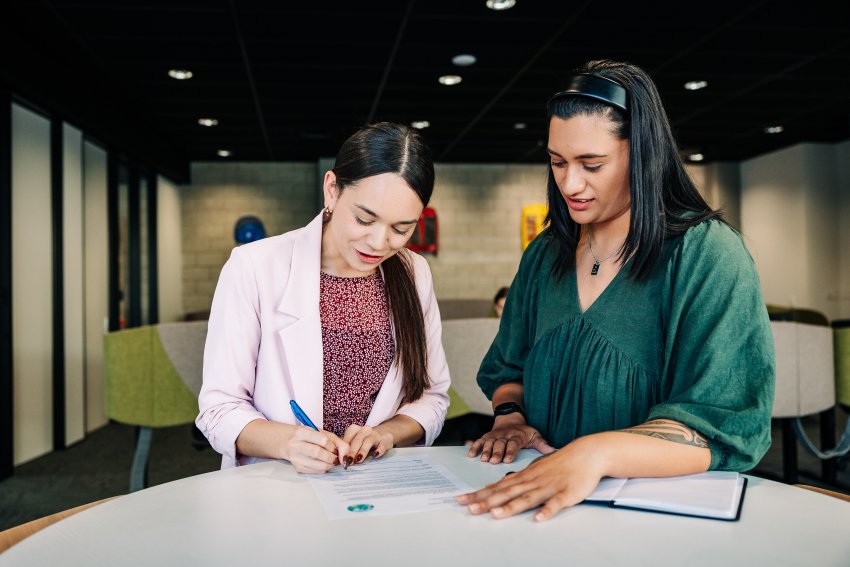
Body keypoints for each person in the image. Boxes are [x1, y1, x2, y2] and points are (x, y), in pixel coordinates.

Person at [458, 60, 775, 522]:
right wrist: (511, 418)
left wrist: (594, 454)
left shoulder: (708, 256)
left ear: (644, 154)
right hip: (544, 500)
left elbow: (723, 425)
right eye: (557, 161)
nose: (570, 183)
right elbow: (511, 368)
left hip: (658, 518)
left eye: (592, 164)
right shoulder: (544, 255)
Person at [197, 122, 450, 473]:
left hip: (376, 480)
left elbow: (432, 397)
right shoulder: (254, 266)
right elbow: (219, 409)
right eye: (364, 219)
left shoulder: (413, 272)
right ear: (331, 190)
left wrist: (386, 434)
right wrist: (287, 442)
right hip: (277, 484)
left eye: (401, 229)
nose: (379, 243)